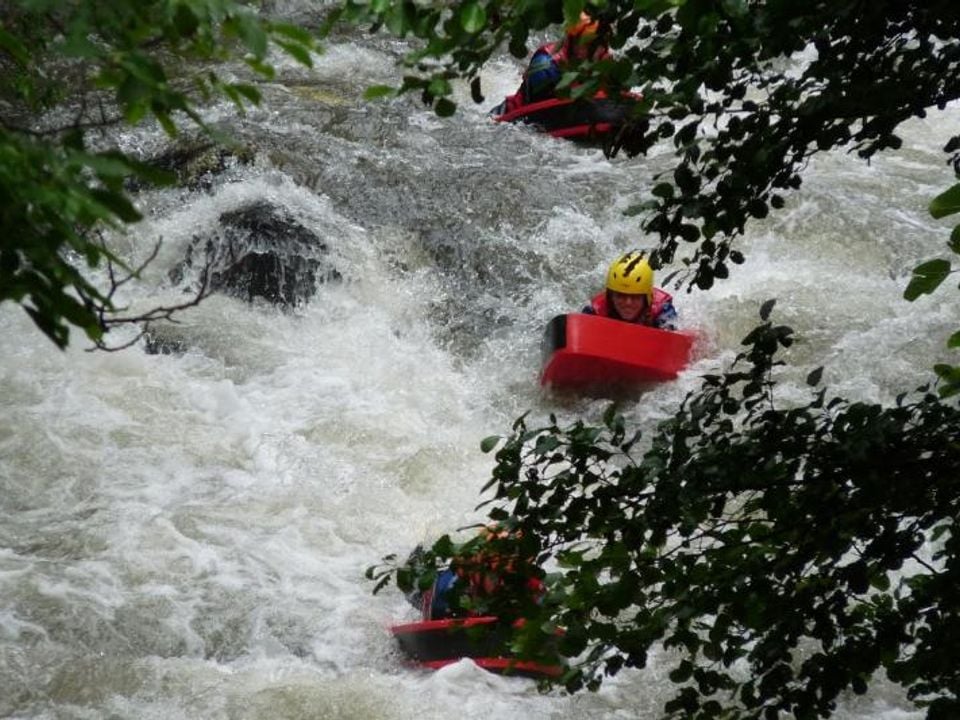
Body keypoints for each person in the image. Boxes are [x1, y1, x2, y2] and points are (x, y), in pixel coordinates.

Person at [496, 13, 610, 115]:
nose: (582, 49)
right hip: (510, 115)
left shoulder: (607, 64)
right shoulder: (546, 66)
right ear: (570, 41)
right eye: (579, 42)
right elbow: (539, 113)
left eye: (590, 44)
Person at [583, 251, 679, 331]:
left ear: (647, 298)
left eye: (635, 297)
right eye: (621, 295)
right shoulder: (594, 311)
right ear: (611, 296)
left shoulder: (662, 310)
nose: (628, 303)